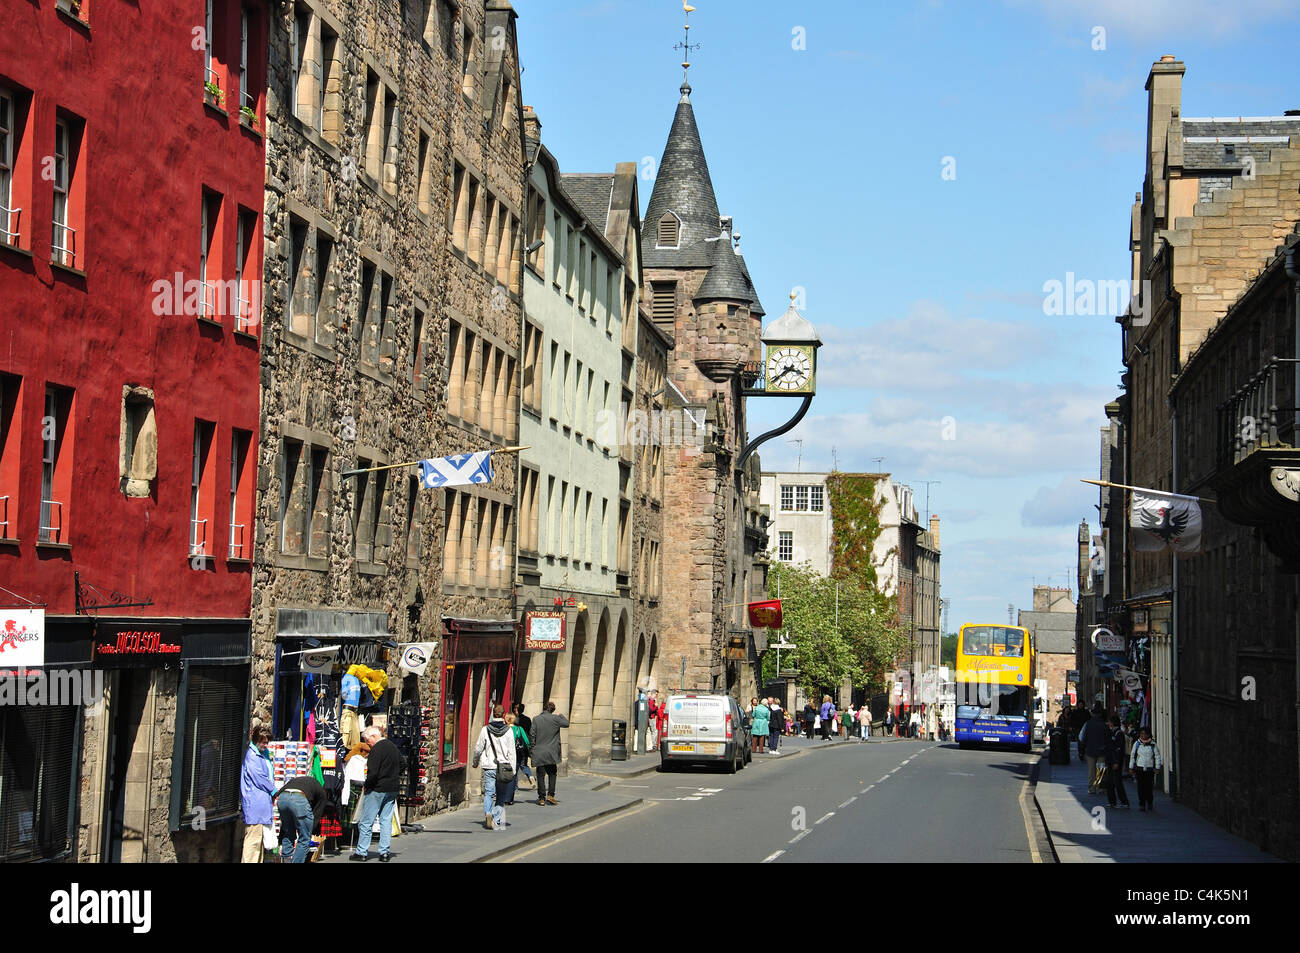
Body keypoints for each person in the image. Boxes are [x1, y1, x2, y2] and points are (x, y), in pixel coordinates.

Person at [351, 724, 400, 860]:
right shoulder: (393, 747)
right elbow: (402, 763)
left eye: (368, 741)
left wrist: (367, 785)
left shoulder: (376, 750)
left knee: (366, 821)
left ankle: (361, 852)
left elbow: (372, 773)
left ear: (374, 736)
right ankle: (384, 852)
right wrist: (393, 776)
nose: (368, 744)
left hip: (377, 789)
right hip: (391, 788)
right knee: (386, 820)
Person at [473, 704, 516, 829]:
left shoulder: (485, 729)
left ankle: (488, 813)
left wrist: (475, 762)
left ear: (493, 713)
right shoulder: (508, 731)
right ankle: (496, 820)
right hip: (503, 767)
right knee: (501, 795)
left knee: (489, 793)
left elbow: (478, 748)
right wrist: (512, 769)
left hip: (489, 766)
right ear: (503, 715)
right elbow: (511, 752)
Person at [240, 726, 276, 863]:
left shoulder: (261, 754)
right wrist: (274, 790)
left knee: (258, 848)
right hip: (255, 807)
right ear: (256, 740)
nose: (266, 745)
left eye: (267, 742)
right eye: (264, 742)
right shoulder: (252, 757)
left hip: (261, 807)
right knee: (253, 845)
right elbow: (260, 778)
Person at [276, 773, 326, 863]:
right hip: (299, 798)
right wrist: (311, 830)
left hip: (282, 797)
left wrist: (281, 838)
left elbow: (284, 827)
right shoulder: (322, 794)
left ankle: (286, 860)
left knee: (288, 834)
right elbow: (317, 815)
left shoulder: (297, 781)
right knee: (304, 839)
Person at [530, 700, 568, 806]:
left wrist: (532, 748)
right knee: (552, 774)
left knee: (540, 774)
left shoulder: (536, 719)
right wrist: (560, 715)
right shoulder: (556, 719)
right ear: (553, 710)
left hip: (540, 751)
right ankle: (551, 795)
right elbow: (566, 723)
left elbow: (532, 734)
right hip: (552, 752)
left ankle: (541, 798)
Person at [1129, 728, 1162, 812]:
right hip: (1139, 768)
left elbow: (1157, 756)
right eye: (1141, 734)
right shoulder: (1137, 744)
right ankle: (1142, 804)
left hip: (1149, 769)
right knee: (1140, 787)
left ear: (1148, 735)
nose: (1143, 736)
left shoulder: (1153, 744)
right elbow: (1133, 755)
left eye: (1145, 734)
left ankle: (1149, 802)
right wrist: (1131, 767)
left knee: (1149, 787)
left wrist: (1157, 767)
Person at [1078, 706, 1109, 794]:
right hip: (1102, 751)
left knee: (1091, 771)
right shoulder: (1104, 725)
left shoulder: (1087, 724)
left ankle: (1092, 788)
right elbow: (1108, 738)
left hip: (1090, 750)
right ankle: (1101, 788)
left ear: (1092, 714)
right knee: (1101, 770)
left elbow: (1081, 737)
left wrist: (1084, 746)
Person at [500, 712, 527, 806]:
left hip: (503, 754)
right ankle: (509, 798)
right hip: (516, 754)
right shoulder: (519, 729)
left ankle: (502, 796)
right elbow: (526, 741)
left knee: (502, 774)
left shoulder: (503, 729)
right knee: (513, 775)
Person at [1104, 714, 1131, 809]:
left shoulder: (1118, 734)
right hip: (1111, 760)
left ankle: (1124, 801)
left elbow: (1118, 749)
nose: (1108, 723)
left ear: (1112, 723)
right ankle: (1112, 801)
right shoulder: (1112, 732)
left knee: (1117, 782)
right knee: (1110, 782)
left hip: (1115, 761)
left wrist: (1116, 762)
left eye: (1109, 722)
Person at [512, 703, 535, 789]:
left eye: (515, 708)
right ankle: (530, 776)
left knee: (516, 766)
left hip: (516, 746)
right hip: (524, 745)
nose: (514, 709)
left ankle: (515, 785)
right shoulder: (528, 719)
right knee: (524, 764)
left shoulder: (515, 720)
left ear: (517, 710)